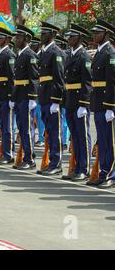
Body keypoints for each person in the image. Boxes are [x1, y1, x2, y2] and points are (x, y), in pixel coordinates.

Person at [61, 24, 92, 182]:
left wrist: (83, 104)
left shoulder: (84, 56)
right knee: (75, 136)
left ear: (79, 37)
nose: (69, 39)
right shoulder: (71, 55)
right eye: (69, 36)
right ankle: (77, 167)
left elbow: (87, 82)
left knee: (82, 136)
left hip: (79, 101)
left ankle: (84, 169)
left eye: (72, 36)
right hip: (70, 100)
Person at [88, 19, 115, 188]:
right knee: (103, 141)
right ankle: (104, 172)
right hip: (98, 102)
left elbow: (112, 82)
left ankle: (112, 175)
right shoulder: (99, 52)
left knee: (110, 141)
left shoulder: (110, 53)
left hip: (107, 104)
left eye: (98, 32)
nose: (95, 35)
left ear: (106, 34)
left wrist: (110, 106)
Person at [37, 21, 66, 176]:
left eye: (45, 33)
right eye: (41, 33)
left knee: (55, 132)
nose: (42, 35)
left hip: (52, 98)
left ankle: (57, 163)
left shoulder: (56, 53)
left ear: (52, 35)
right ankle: (51, 161)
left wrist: (56, 100)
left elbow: (59, 79)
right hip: (44, 97)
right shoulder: (44, 52)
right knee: (49, 131)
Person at [12, 25, 39, 170]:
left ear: (27, 39)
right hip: (19, 96)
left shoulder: (30, 55)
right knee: (22, 128)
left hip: (26, 98)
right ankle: (26, 156)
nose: (16, 39)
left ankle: (30, 159)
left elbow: (34, 78)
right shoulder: (20, 54)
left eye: (19, 37)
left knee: (27, 129)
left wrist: (33, 98)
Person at [0, 27, 16, 165]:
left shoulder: (9, 55)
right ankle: (5, 152)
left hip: (6, 96)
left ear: (7, 39)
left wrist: (11, 97)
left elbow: (12, 78)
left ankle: (9, 154)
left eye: (0, 37)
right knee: (3, 126)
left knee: (7, 128)